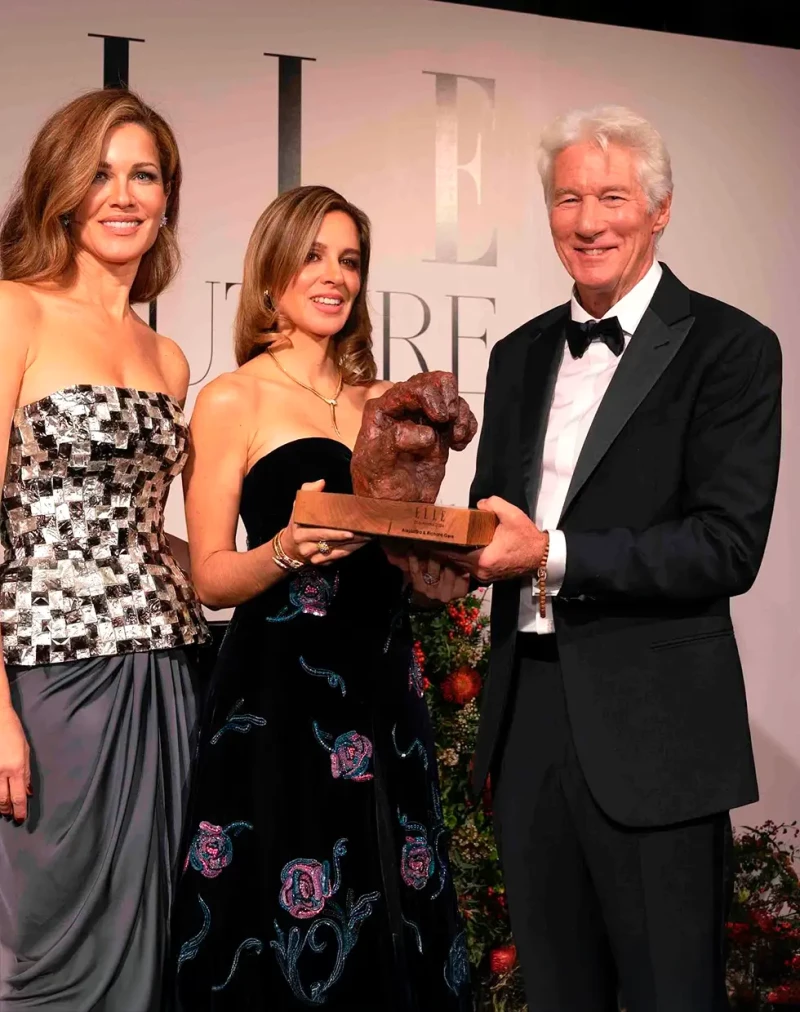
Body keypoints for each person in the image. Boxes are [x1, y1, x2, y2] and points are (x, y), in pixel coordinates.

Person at [425, 106, 782, 1010]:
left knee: (670, 994)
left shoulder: (732, 348)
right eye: (568, 198)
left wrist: (553, 552)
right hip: (528, 718)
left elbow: (727, 544)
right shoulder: (517, 354)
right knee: (557, 993)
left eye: (612, 197)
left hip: (655, 728)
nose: (589, 221)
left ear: (660, 210)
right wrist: (437, 552)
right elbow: (494, 522)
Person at [169, 185, 471, 1011]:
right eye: (313, 255)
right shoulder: (232, 399)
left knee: (394, 900)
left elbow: (407, 553)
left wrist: (442, 570)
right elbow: (210, 575)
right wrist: (285, 549)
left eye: (349, 259)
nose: (333, 275)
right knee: (286, 913)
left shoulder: (387, 403)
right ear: (271, 275)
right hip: (277, 697)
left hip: (384, 687)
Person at [0, 89, 209, 1010]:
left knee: (152, 939)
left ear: (167, 197)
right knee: (36, 948)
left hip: (164, 669)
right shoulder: (15, 313)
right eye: (99, 173)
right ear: (61, 190)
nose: (122, 195)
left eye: (144, 174)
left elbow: (148, 526)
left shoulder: (167, 359)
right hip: (47, 678)